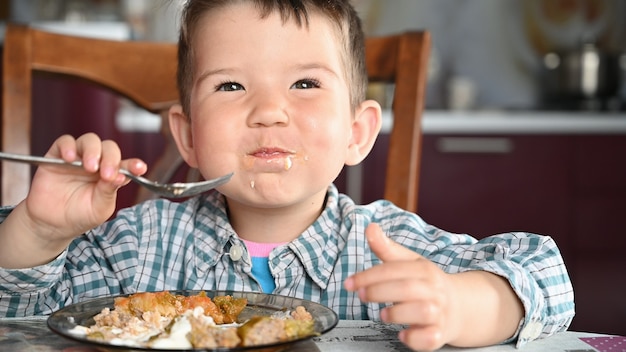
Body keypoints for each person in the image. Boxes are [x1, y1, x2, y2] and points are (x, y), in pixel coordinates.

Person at [0, 0, 574, 350]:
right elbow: (19, 313)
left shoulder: (389, 249)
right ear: (189, 136)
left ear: (357, 132)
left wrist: (459, 304)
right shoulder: (136, 246)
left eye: (304, 84)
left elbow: (544, 273)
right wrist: (40, 232)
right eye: (230, 86)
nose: (268, 111)